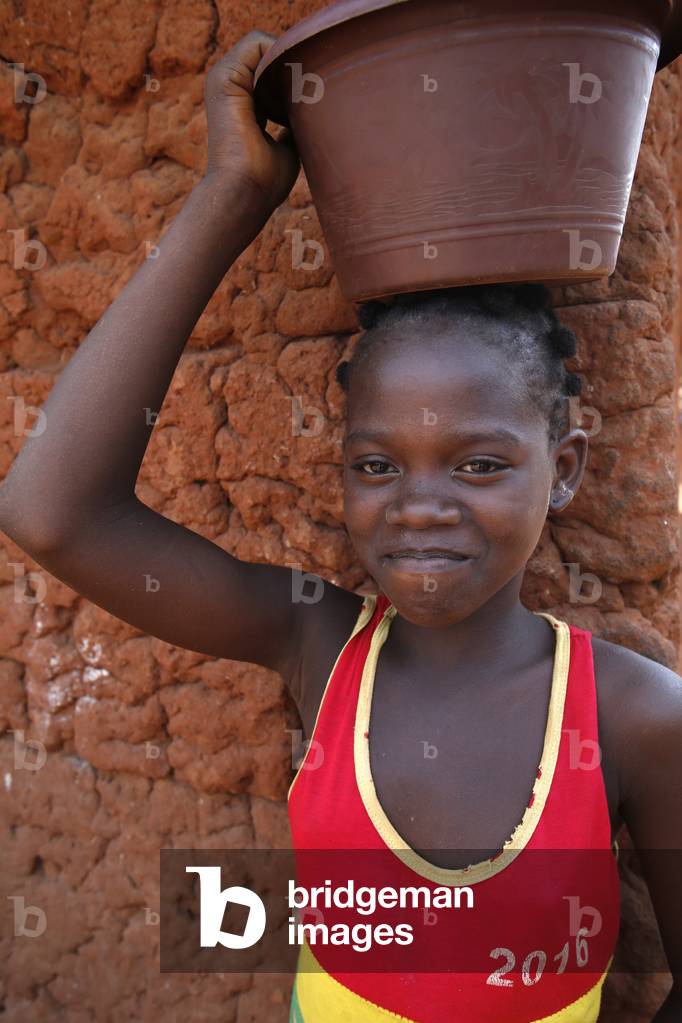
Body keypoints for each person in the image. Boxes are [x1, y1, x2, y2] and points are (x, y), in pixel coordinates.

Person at [0, 29, 681, 1023]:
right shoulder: (316, 642)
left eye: (480, 464)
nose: (420, 505)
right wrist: (229, 194)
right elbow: (50, 514)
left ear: (564, 469)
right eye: (376, 465)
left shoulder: (633, 717)